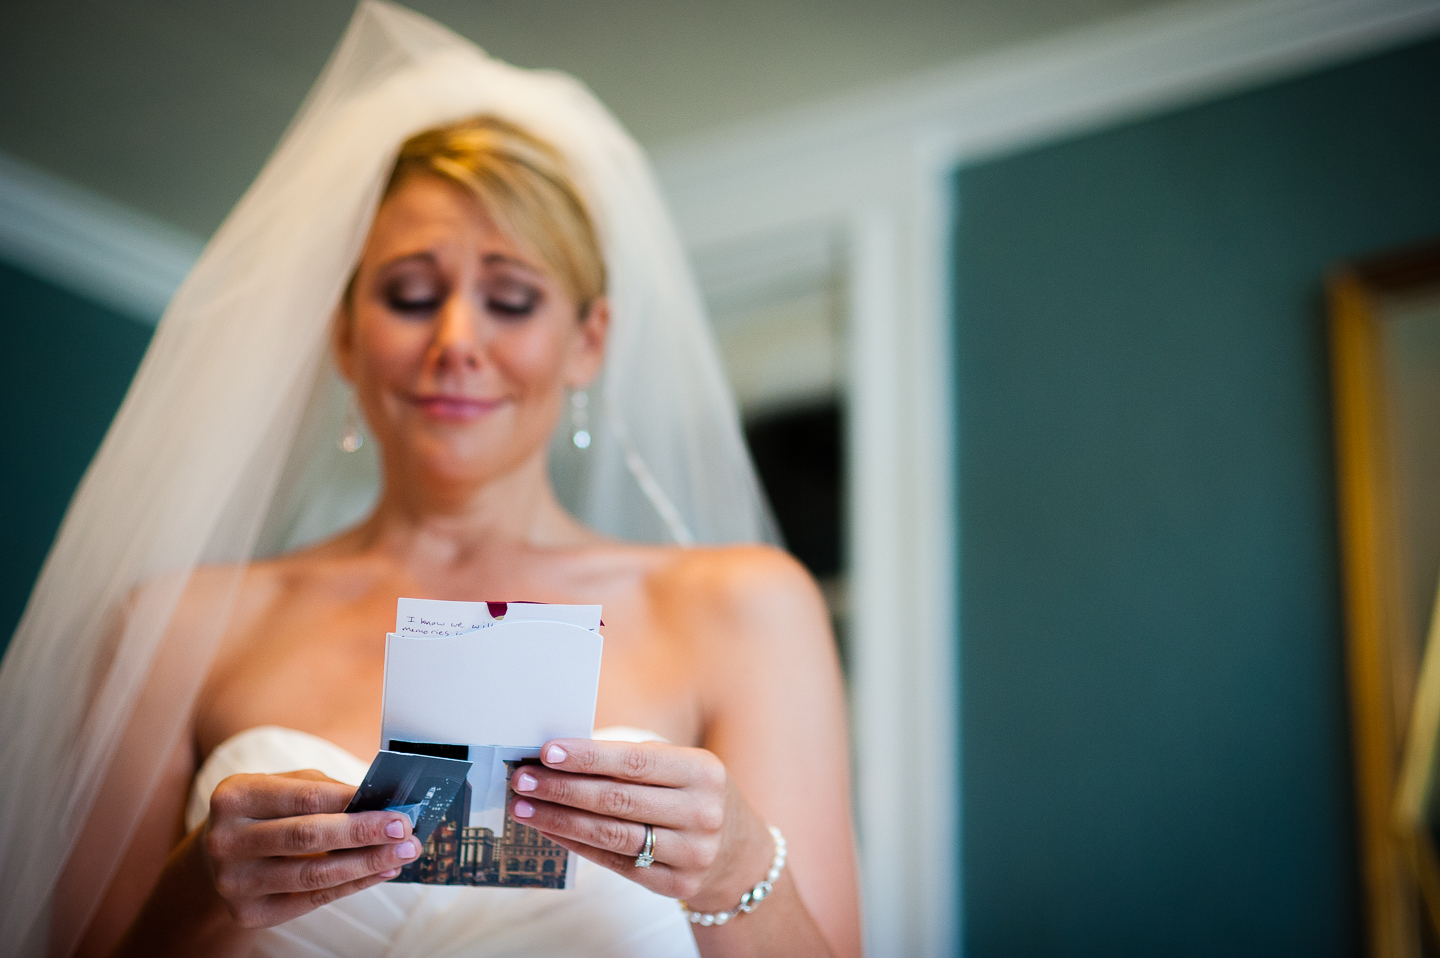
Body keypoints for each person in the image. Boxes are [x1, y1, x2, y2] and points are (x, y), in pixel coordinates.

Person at [0, 4, 859, 958]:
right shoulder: (177, 631)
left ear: (588, 341)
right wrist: (205, 887)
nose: (456, 343)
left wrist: (736, 862)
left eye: (511, 298)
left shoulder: (746, 609)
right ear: (343, 334)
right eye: (411, 295)